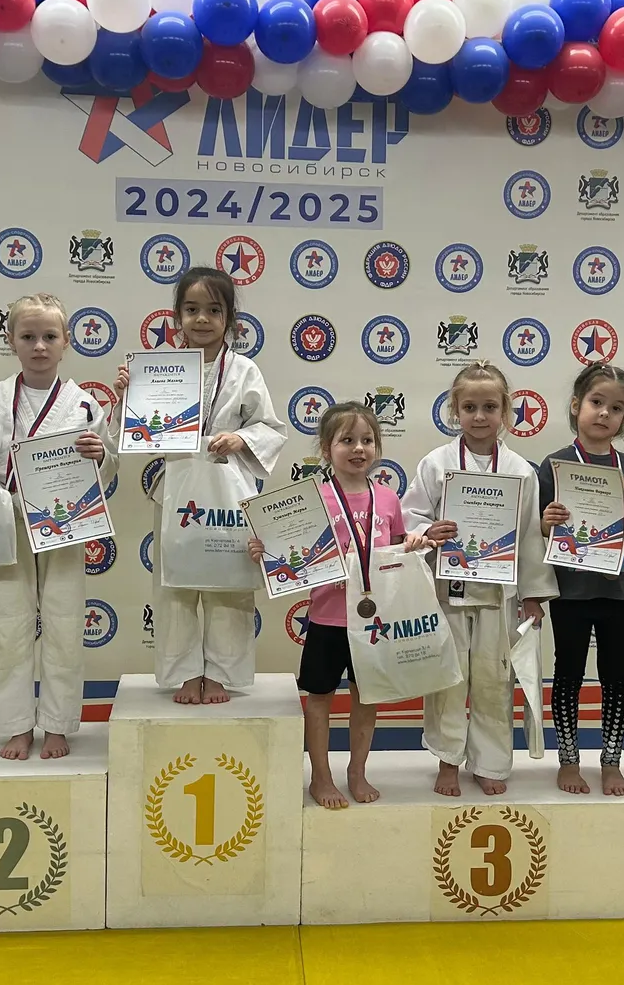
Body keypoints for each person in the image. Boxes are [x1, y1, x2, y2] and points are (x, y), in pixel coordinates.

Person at [0, 294, 115, 762]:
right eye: (28, 336)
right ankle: (16, 726)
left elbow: (108, 464)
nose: (39, 346)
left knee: (64, 623)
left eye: (49, 336)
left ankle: (57, 725)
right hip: (9, 522)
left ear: (66, 341)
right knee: (6, 626)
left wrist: (102, 455)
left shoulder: (84, 404)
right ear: (11, 340)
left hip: (64, 524)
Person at [118, 267, 287, 706]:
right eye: (191, 309)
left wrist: (241, 438)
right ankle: (185, 673)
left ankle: (222, 674)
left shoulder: (244, 370)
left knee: (227, 582)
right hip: (176, 485)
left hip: (226, 486)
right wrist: (129, 396)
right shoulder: (160, 371)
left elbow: (270, 427)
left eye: (214, 310)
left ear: (229, 318)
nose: (202, 319)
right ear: (177, 316)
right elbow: (137, 431)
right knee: (174, 585)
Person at [251, 402, 428, 809]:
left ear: (378, 447)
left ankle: (357, 772)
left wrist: (411, 544)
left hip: (375, 622)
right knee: (320, 699)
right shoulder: (312, 498)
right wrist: (265, 551)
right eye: (347, 440)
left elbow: (395, 551)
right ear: (326, 448)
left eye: (367, 440)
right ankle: (321, 776)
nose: (358, 448)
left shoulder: (388, 499)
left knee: (368, 699)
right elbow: (288, 551)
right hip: (328, 618)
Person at [401, 361, 557, 797]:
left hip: (499, 595)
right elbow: (411, 517)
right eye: (469, 407)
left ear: (505, 410)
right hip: (448, 591)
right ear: (455, 410)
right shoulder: (436, 464)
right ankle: (447, 760)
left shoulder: (521, 470)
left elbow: (529, 536)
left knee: (494, 680)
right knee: (449, 681)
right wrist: (428, 531)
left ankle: (490, 763)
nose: (480, 416)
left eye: (490, 407)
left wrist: (533, 595)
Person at [536, 363, 624, 797]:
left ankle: (611, 761)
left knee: (615, 678)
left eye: (616, 408)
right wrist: (547, 521)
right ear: (576, 405)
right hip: (570, 590)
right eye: (596, 402)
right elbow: (537, 529)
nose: (605, 413)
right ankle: (568, 761)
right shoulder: (555, 465)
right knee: (567, 674)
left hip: (618, 591)